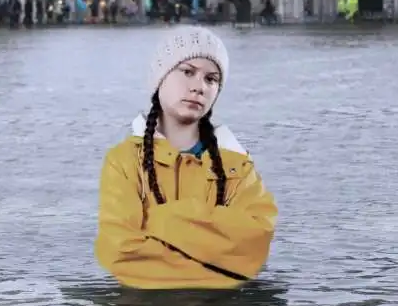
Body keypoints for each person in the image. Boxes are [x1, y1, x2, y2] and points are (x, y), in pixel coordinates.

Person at [95, 26, 278, 289]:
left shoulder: (238, 166)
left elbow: (254, 247)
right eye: (188, 72)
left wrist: (160, 219)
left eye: (211, 79)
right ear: (160, 78)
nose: (199, 87)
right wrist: (219, 262)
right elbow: (120, 252)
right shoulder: (123, 162)